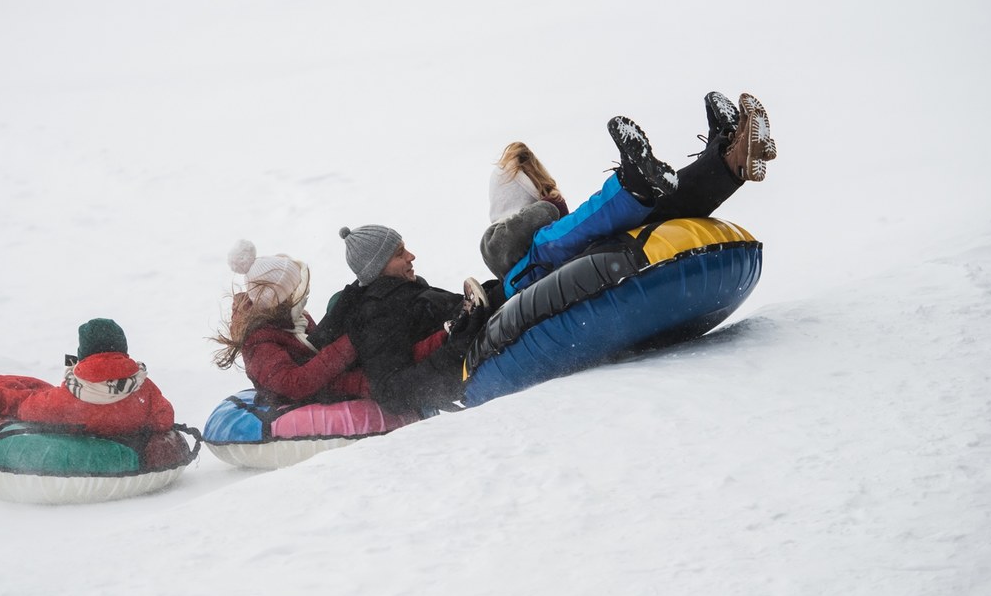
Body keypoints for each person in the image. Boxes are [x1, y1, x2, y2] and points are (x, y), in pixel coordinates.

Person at [481, 92, 777, 299]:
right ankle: (633, 186)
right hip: (532, 281)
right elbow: (537, 227)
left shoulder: (550, 228)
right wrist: (550, 205)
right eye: (539, 187)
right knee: (551, 241)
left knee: (657, 207)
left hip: (572, 260)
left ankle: (729, 157)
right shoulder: (496, 244)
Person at [311, 225, 490, 415]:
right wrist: (460, 347)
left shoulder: (405, 290)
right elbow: (392, 390)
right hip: (472, 364)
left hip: (479, 343)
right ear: (377, 268)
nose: (411, 256)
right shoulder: (379, 314)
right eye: (399, 253)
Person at [0, 318, 176, 436]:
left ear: (84, 354)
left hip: (69, 408)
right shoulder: (145, 388)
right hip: (90, 408)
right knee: (35, 386)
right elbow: (164, 418)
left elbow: (27, 409)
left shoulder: (69, 400)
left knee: (6, 394)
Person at [211, 240, 381, 405]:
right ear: (281, 299)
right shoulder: (258, 340)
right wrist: (349, 343)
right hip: (295, 398)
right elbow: (294, 384)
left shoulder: (296, 320)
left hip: (322, 384)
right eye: (296, 290)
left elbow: (318, 354)